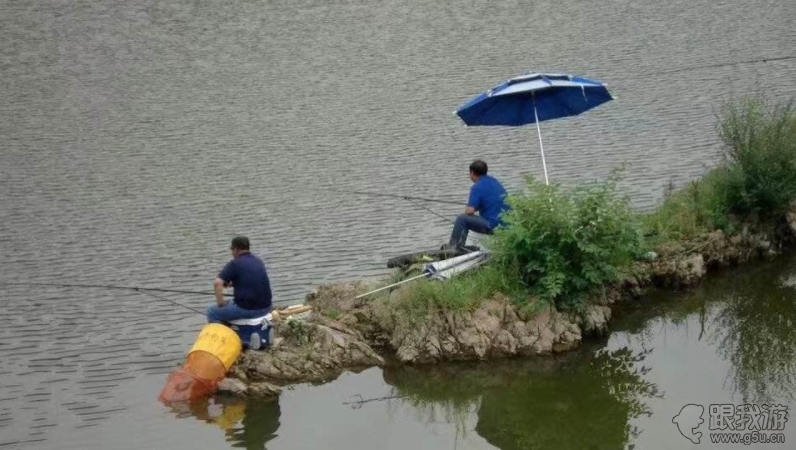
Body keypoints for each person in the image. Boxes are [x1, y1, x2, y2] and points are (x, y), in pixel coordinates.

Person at [207, 236, 273, 324]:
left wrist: (221, 303)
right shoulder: (258, 260)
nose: (231, 253)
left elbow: (217, 283)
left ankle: (223, 336)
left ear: (236, 249)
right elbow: (251, 280)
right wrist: (233, 284)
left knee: (212, 311)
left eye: (231, 249)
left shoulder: (235, 263)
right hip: (266, 307)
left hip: (249, 310)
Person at [447, 160, 509, 250]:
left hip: (493, 226)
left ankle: (453, 249)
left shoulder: (476, 187)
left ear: (472, 173)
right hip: (506, 224)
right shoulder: (495, 181)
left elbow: (469, 211)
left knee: (461, 219)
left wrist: (471, 207)